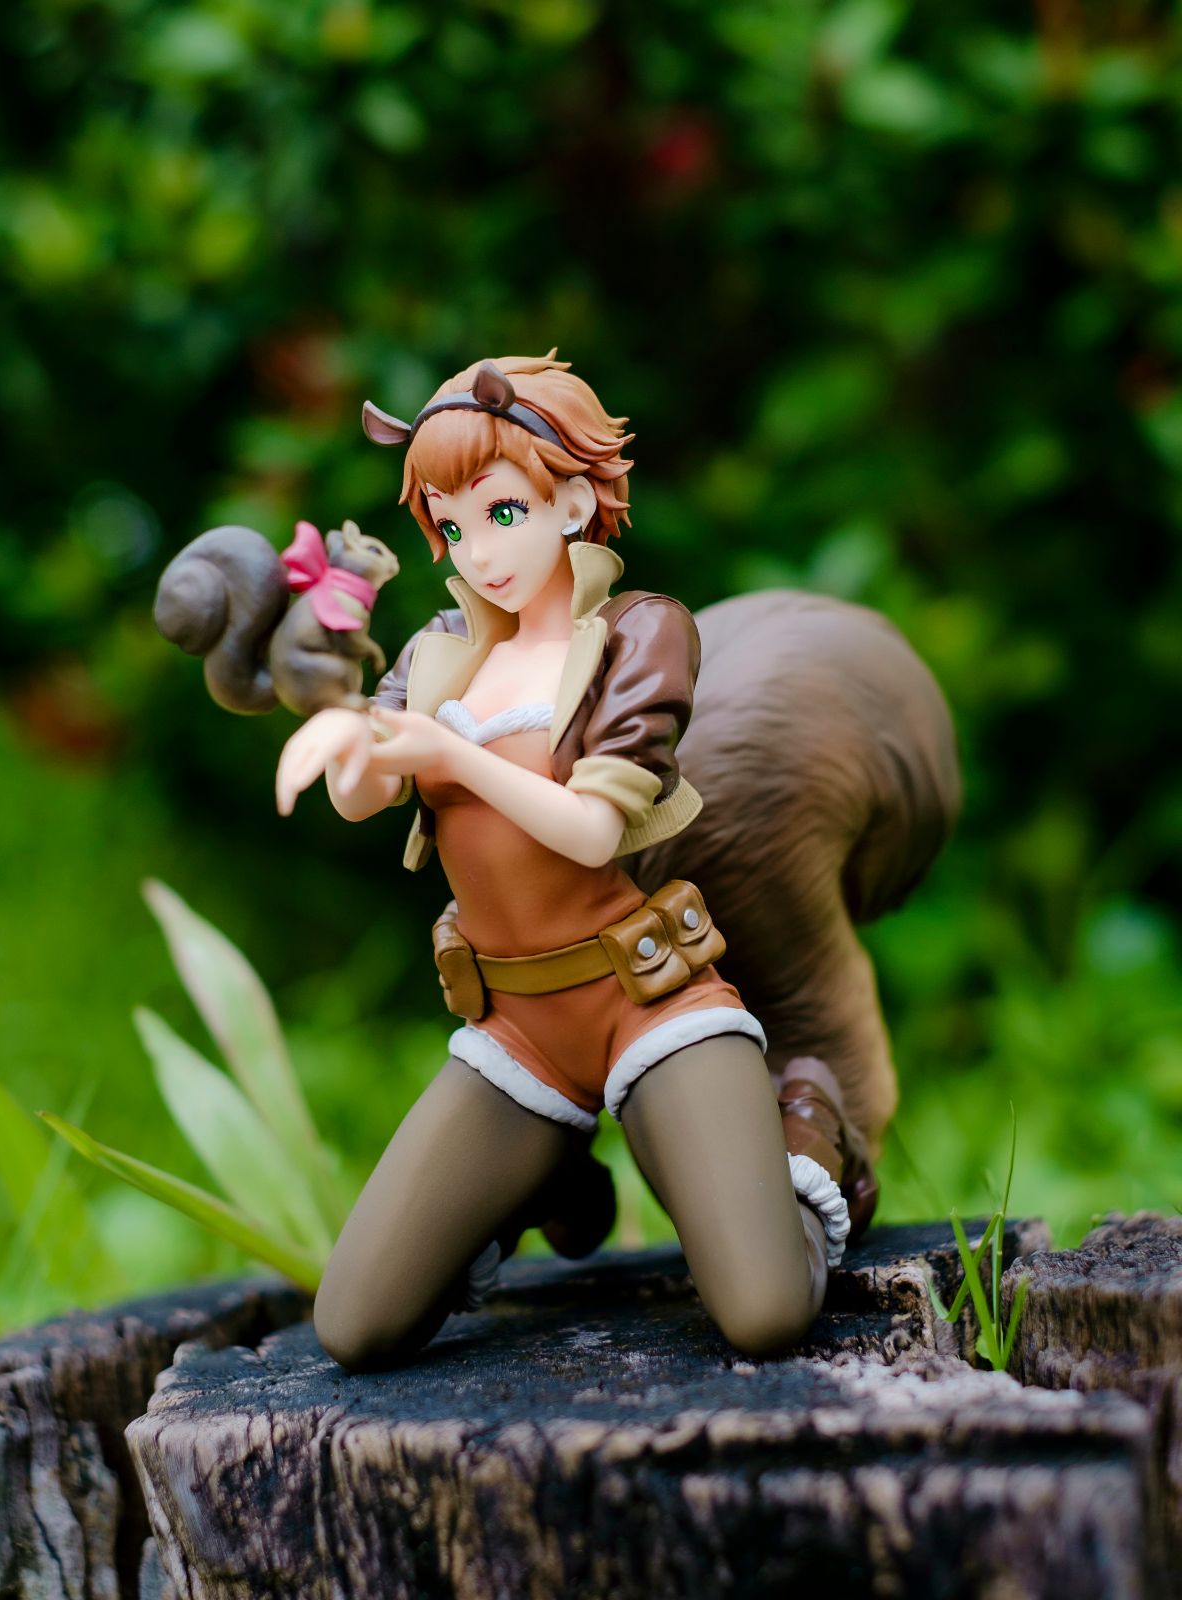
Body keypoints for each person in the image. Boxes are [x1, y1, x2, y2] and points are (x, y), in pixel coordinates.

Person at [275, 351, 862, 1368]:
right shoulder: (440, 652)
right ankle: (538, 1179)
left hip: (643, 998)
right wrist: (337, 717)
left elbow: (594, 831)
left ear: (575, 501)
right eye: (452, 526)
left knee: (765, 1310)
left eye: (503, 512)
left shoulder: (637, 634)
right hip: (515, 1025)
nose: (480, 552)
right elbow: (363, 793)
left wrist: (451, 755)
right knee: (357, 1324)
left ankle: (808, 1125)